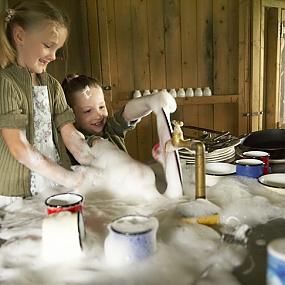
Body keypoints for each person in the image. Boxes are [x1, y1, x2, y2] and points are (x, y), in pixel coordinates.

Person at [0, 1, 97, 206]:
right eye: (48, 45)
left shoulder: (52, 85)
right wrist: (66, 178)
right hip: (16, 193)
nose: (53, 56)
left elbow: (69, 133)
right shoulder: (6, 82)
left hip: (50, 184)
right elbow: (18, 147)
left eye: (57, 49)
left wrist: (93, 163)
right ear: (20, 36)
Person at [62, 74, 176, 159]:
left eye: (101, 107)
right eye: (87, 111)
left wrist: (150, 102)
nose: (98, 115)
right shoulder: (73, 143)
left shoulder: (110, 130)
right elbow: (93, 144)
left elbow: (127, 113)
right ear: (72, 115)